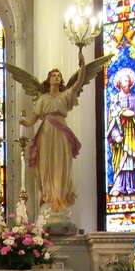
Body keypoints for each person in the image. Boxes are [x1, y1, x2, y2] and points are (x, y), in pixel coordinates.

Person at [20, 68, 84, 213]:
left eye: (59, 76)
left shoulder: (66, 95)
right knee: (46, 163)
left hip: (61, 132)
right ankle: (48, 196)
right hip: (47, 132)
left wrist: (82, 64)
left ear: (61, 80)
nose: (56, 77)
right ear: (48, 80)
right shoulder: (43, 98)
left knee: (61, 163)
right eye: (53, 75)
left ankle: (60, 198)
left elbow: (79, 82)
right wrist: (26, 123)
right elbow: (35, 117)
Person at [106, 68, 135, 195]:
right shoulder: (115, 99)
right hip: (120, 133)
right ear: (119, 83)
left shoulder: (134, 97)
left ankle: (131, 185)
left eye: (128, 80)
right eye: (123, 80)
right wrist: (116, 135)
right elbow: (111, 118)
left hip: (132, 133)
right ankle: (118, 186)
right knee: (121, 158)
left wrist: (133, 114)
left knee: (131, 158)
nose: (126, 82)